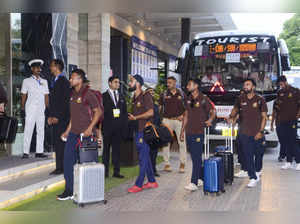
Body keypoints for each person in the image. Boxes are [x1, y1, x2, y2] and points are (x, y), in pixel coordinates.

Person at [57, 69, 102, 200]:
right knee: (67, 161)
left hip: (87, 135)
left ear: (80, 79)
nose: (70, 80)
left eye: (72, 78)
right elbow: (73, 116)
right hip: (73, 133)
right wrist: (67, 131)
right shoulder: (72, 95)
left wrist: (90, 129)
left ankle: (92, 192)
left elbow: (98, 112)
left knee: (88, 163)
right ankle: (69, 191)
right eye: (70, 78)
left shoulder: (88, 94)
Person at [228, 79, 268, 188]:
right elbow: (235, 109)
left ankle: (258, 170)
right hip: (244, 133)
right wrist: (231, 117)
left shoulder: (260, 100)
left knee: (259, 154)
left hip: (257, 133)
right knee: (248, 156)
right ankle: (252, 177)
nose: (245, 86)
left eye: (248, 84)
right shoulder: (240, 99)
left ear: (253, 87)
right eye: (244, 84)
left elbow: (264, 117)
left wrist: (261, 132)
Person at [180, 78, 216, 192]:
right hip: (189, 131)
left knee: (196, 158)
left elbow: (213, 111)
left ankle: (193, 182)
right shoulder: (187, 99)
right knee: (195, 157)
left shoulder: (204, 99)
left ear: (196, 86)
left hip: (199, 132)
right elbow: (185, 115)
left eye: (189, 84)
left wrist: (210, 120)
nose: (187, 86)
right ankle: (200, 178)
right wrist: (182, 131)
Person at [127, 74, 158, 193]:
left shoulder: (146, 95)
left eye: (132, 81)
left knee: (142, 158)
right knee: (145, 157)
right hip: (138, 130)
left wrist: (136, 117)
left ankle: (139, 184)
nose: (130, 83)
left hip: (145, 132)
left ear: (138, 83)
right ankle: (151, 181)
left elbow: (150, 112)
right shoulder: (134, 97)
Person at [21, 59, 49, 159]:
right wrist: (22, 107)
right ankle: (25, 152)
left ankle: (39, 151)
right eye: (36, 67)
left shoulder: (44, 81)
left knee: (41, 130)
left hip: (41, 109)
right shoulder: (26, 81)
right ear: (32, 69)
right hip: (30, 108)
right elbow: (24, 95)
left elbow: (46, 96)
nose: (38, 69)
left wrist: (47, 107)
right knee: (28, 129)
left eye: (39, 67)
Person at [159, 76, 187, 173]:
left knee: (182, 142)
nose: (168, 84)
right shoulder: (164, 94)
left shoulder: (182, 94)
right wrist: (160, 120)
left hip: (179, 121)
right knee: (166, 142)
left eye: (170, 82)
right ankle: (167, 164)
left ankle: (182, 163)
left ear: (175, 82)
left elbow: (187, 109)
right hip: (167, 121)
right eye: (167, 83)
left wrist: (183, 116)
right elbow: (160, 107)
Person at [48, 59, 71, 175]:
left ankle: (62, 167)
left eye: (51, 66)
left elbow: (64, 102)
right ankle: (59, 166)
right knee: (57, 143)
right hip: (55, 118)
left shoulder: (64, 82)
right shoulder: (55, 81)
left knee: (61, 143)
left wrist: (58, 116)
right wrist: (50, 116)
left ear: (57, 67)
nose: (50, 68)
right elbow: (53, 102)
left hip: (62, 119)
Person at [102, 76, 127, 179]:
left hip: (118, 128)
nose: (118, 84)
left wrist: (124, 126)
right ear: (109, 83)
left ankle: (116, 172)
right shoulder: (103, 96)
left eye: (119, 82)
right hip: (107, 128)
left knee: (117, 150)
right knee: (106, 151)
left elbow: (124, 112)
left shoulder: (121, 96)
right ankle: (105, 172)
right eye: (116, 82)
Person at [273, 76, 300, 170]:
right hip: (282, 120)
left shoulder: (295, 91)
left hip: (292, 120)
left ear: (285, 82)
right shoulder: (279, 93)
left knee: (292, 141)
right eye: (279, 85)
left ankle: (298, 161)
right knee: (285, 142)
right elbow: (276, 107)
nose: (281, 86)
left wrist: (298, 115)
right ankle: (288, 162)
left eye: (281, 84)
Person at [146, 87, 161, 177]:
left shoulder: (155, 106)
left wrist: (158, 128)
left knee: (154, 152)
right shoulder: (143, 105)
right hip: (146, 131)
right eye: (149, 92)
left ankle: (153, 169)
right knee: (146, 152)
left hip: (155, 131)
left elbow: (158, 118)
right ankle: (146, 170)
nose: (151, 94)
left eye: (152, 93)